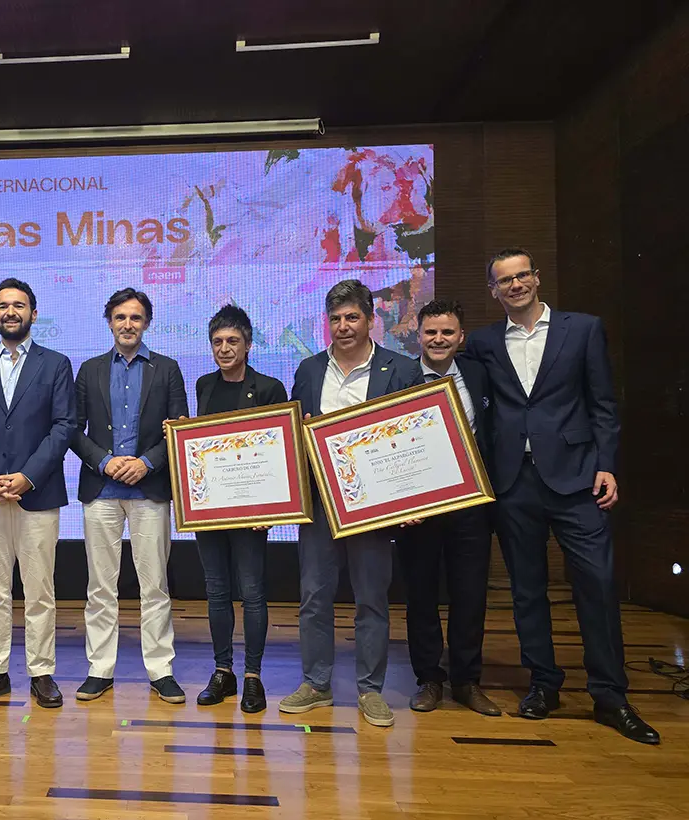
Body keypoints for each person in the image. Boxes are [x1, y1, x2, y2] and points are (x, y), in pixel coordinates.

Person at [465, 248, 658, 744]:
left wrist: (608, 465)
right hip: (513, 483)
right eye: (503, 280)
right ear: (493, 290)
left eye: (521, 276)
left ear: (536, 278)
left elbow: (604, 405)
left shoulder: (583, 329)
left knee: (596, 584)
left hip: (577, 479)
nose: (514, 285)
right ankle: (543, 685)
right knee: (527, 591)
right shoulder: (484, 342)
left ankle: (610, 695)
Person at [280, 280, 421, 727]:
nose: (344, 326)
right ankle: (316, 684)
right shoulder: (307, 370)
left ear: (370, 320)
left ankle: (370, 690)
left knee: (371, 599)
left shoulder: (401, 369)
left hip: (374, 506)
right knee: (314, 596)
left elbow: (416, 437)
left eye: (352, 318)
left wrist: (416, 497)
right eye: (336, 319)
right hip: (320, 504)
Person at [0, 277, 76, 709]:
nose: (10, 312)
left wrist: (28, 476)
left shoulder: (56, 364)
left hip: (36, 495)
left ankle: (42, 672)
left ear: (33, 314)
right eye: (2, 305)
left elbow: (64, 427)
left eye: (19, 305)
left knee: (40, 591)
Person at [70, 288, 189, 704]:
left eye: (135, 318)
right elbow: (73, 429)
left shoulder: (168, 370)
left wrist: (146, 463)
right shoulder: (89, 370)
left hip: (149, 489)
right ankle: (100, 668)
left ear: (146, 323)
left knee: (154, 584)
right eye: (120, 317)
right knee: (100, 587)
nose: (127, 324)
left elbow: (178, 428)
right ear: (109, 322)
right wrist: (104, 461)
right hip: (101, 489)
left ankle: (161, 669)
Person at [396, 299, 499, 716]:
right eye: (431, 332)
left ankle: (466, 680)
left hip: (471, 503)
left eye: (447, 332)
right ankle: (428, 679)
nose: (438, 339)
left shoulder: (479, 374)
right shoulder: (399, 377)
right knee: (421, 594)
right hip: (418, 506)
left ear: (461, 337)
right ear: (418, 335)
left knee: (470, 593)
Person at [193, 304, 287, 714]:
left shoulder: (269, 388)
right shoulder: (203, 386)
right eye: (218, 342)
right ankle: (223, 671)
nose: (225, 348)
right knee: (216, 592)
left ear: (248, 345)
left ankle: (253, 676)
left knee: (251, 592)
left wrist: (272, 505)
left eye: (233, 341)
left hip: (253, 512)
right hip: (211, 509)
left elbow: (278, 451)